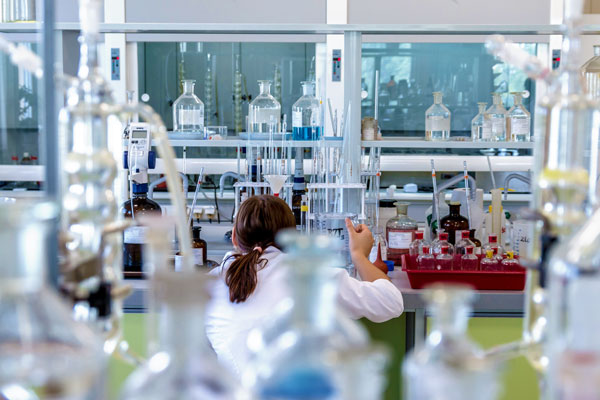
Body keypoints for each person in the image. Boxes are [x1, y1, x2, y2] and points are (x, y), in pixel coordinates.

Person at [205, 195, 404, 376]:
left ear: (233, 237)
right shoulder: (311, 277)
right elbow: (391, 302)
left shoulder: (209, 286)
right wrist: (359, 255)